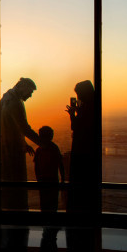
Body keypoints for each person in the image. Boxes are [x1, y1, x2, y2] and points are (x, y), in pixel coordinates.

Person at [0, 77, 40, 211]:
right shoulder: (15, 102)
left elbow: (13, 126)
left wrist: (23, 142)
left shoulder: (5, 99)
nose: (30, 95)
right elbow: (24, 127)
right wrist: (43, 143)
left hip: (6, 147)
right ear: (22, 87)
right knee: (17, 184)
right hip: (13, 150)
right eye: (30, 92)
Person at [65, 80, 100, 215]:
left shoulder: (87, 108)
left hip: (82, 148)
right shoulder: (92, 106)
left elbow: (76, 127)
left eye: (79, 94)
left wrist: (73, 115)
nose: (78, 97)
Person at [33, 126, 65, 214]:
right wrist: (62, 178)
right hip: (53, 179)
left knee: (44, 203)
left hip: (43, 180)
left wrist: (38, 178)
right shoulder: (54, 148)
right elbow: (60, 164)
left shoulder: (39, 150)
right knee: (52, 203)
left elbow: (36, 167)